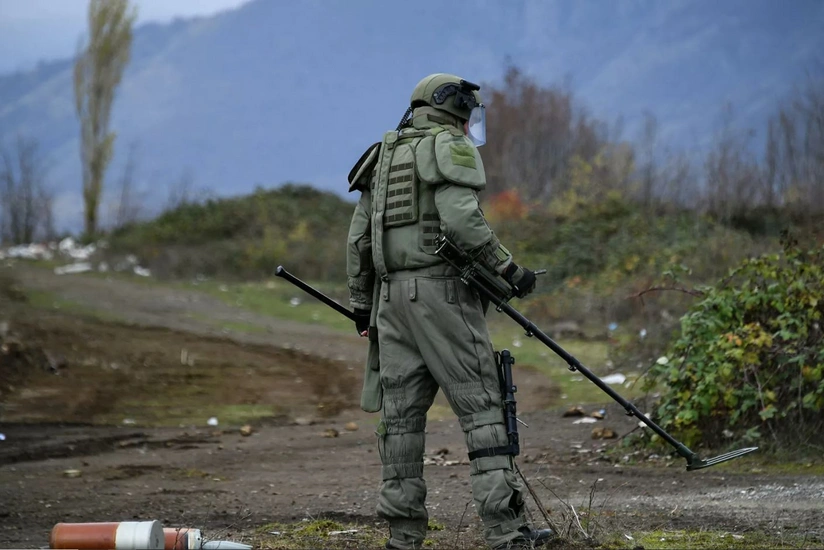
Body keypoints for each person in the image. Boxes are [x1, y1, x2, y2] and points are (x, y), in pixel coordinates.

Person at [345, 73, 552, 550]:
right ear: (453, 108)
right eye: (467, 114)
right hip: (441, 295)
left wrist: (362, 305)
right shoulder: (448, 146)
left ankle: (403, 536)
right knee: (482, 409)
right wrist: (509, 268)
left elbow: (358, 240)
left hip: (390, 302)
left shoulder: (382, 156)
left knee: (400, 421)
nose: (468, 124)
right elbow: (461, 219)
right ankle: (506, 532)